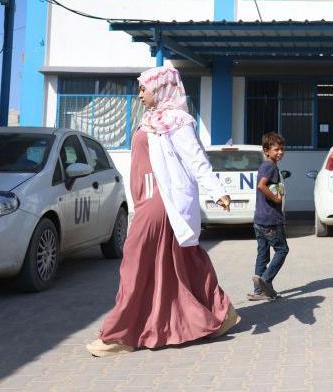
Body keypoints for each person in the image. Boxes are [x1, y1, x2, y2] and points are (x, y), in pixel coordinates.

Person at [88, 66, 239, 357]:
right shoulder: (151, 120)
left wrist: (217, 191)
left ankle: (120, 335)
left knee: (135, 261)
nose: (140, 94)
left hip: (161, 200)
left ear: (160, 89)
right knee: (181, 260)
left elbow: (197, 160)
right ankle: (220, 313)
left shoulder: (177, 120)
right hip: (146, 200)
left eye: (144, 88)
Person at [249, 131, 288, 301]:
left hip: (260, 219)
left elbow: (268, 185)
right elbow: (261, 186)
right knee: (282, 250)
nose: (280, 152)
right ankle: (265, 280)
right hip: (271, 219)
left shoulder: (266, 165)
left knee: (263, 254)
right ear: (266, 150)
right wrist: (276, 198)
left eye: (282, 149)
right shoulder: (270, 166)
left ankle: (259, 291)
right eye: (276, 149)